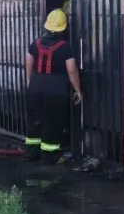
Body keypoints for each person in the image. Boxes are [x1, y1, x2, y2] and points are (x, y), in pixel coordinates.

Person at [24, 8, 82, 163]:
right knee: (52, 123)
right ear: (63, 28)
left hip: (35, 87)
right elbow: (72, 70)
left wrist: (31, 82)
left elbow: (28, 63)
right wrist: (78, 90)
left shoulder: (34, 43)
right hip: (56, 91)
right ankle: (49, 157)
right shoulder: (65, 47)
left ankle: (31, 153)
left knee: (34, 121)